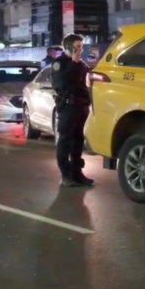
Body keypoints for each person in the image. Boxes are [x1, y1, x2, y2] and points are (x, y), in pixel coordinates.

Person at [51, 34, 94, 187]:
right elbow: (62, 84)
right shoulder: (60, 64)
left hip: (81, 107)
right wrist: (74, 64)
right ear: (68, 47)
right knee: (65, 141)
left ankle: (77, 173)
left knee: (78, 142)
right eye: (77, 47)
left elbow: (85, 83)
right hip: (68, 107)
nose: (80, 50)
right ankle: (66, 175)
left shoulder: (81, 64)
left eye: (81, 47)